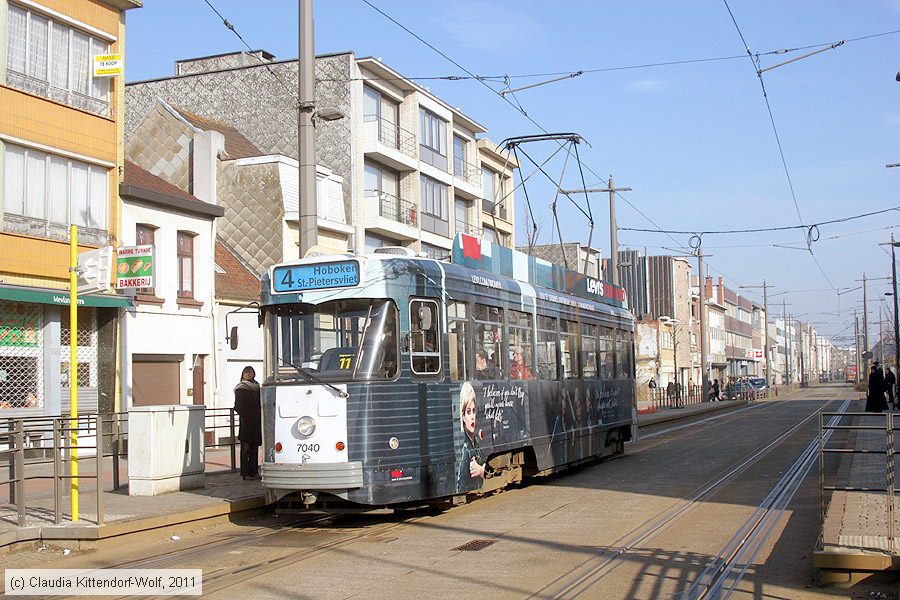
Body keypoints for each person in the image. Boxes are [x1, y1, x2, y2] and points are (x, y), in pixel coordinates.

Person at [234, 366, 262, 480]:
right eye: (246, 372)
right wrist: (246, 414)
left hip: (256, 422)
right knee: (245, 448)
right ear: (243, 374)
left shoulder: (257, 387)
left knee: (254, 447)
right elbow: (237, 406)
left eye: (250, 372)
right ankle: (245, 473)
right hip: (246, 422)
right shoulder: (241, 388)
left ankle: (254, 471)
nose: (248, 374)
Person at [457, 382, 485, 490]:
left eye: (474, 411)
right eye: (468, 412)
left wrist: (481, 470)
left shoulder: (476, 444)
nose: (472, 417)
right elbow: (460, 486)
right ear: (463, 416)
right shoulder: (466, 451)